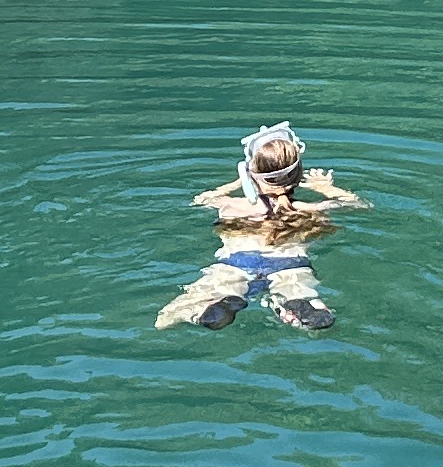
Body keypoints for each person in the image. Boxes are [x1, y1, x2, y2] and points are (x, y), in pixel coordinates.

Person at [155, 119, 368, 335]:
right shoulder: (310, 209)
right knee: (298, 290)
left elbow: (200, 200)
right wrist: (326, 188)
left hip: (236, 263)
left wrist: (238, 182)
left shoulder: (231, 206)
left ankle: (214, 308)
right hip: (291, 265)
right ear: (298, 173)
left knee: (167, 318)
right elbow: (358, 205)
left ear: (250, 173)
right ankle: (303, 302)